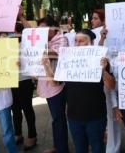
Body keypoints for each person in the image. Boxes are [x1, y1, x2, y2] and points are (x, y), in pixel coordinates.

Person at [65, 29, 115, 153]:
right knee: (80, 149)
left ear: (91, 43)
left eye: (81, 41)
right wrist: (46, 66)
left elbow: (112, 85)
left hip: (95, 117)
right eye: (76, 41)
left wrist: (103, 70)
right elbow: (55, 83)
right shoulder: (68, 60)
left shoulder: (102, 61)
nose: (77, 44)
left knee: (98, 148)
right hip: (73, 117)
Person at [91, 9, 124, 153]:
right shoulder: (96, 37)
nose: (92, 21)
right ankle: (112, 148)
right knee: (112, 115)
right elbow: (96, 55)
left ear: (104, 21)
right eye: (92, 18)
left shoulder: (121, 32)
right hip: (108, 78)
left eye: (96, 18)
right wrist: (102, 38)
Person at [37, 17, 69, 153]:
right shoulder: (46, 42)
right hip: (47, 83)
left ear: (53, 28)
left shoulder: (62, 40)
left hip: (58, 85)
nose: (41, 33)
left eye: (43, 29)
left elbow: (55, 55)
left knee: (59, 117)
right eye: (39, 30)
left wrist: (39, 47)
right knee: (56, 118)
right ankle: (58, 146)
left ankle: (62, 149)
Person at [11, 22, 37, 150]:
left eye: (13, 31)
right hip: (11, 82)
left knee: (27, 108)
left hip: (25, 80)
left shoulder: (26, 45)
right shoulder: (5, 46)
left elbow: (33, 61)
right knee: (15, 109)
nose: (11, 34)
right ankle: (18, 133)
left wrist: (23, 63)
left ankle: (32, 135)